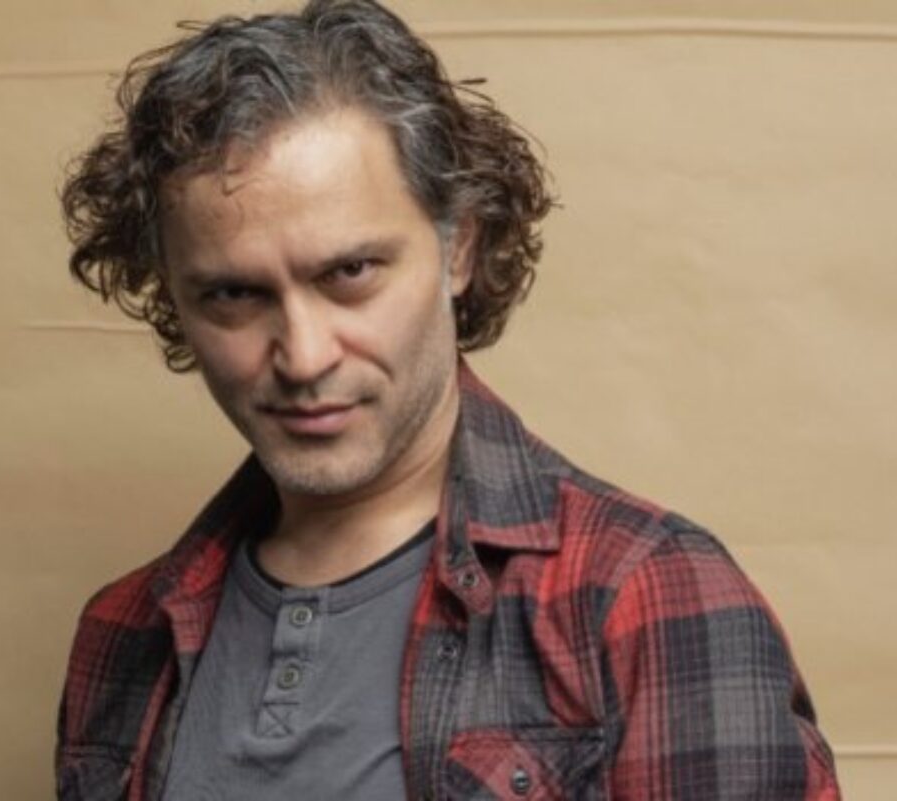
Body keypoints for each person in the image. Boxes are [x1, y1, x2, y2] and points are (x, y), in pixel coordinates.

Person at [54, 1, 840, 798]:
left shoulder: (644, 592)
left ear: (457, 245)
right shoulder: (123, 633)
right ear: (175, 296)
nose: (304, 354)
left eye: (350, 273)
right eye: (233, 293)